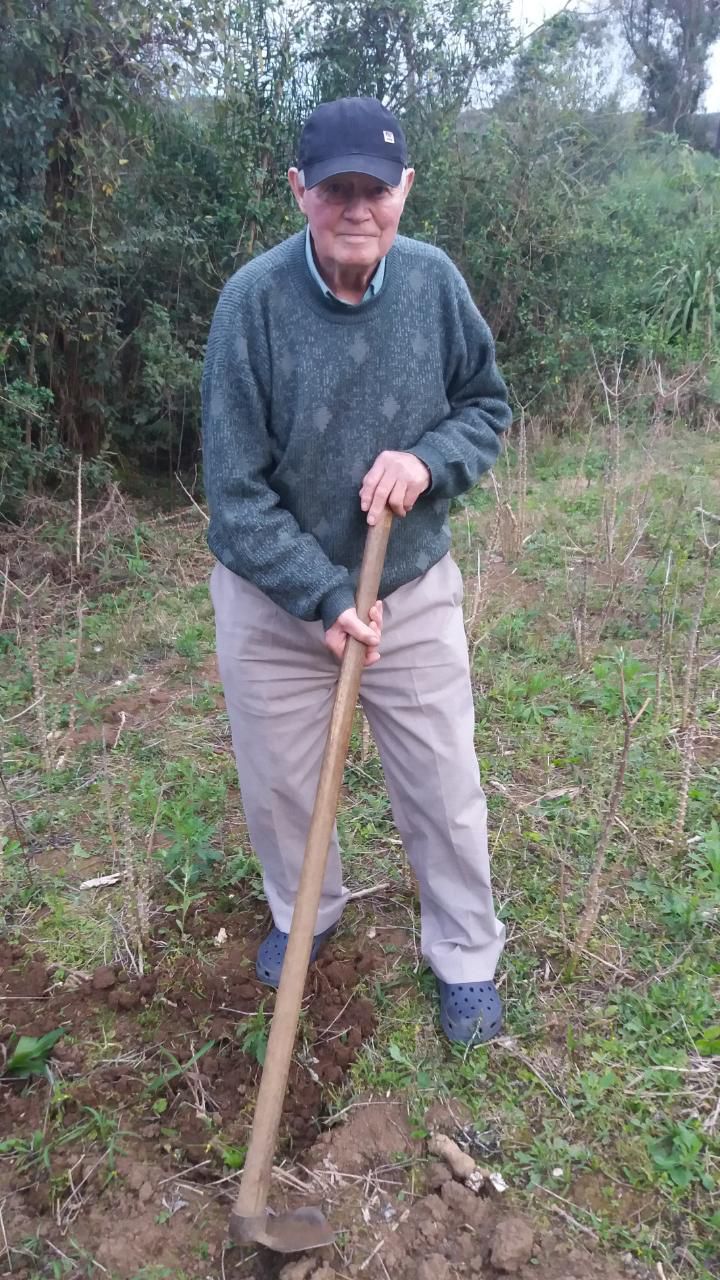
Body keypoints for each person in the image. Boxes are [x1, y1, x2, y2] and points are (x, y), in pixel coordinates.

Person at [202, 96, 512, 1045]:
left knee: (443, 787)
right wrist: (327, 596)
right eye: (335, 188)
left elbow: (484, 406)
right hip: (276, 603)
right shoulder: (251, 305)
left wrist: (427, 461)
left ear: (404, 192)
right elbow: (236, 495)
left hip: (409, 589)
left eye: (374, 189)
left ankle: (464, 954)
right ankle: (308, 914)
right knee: (283, 788)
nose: (356, 208)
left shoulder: (433, 285)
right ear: (299, 191)